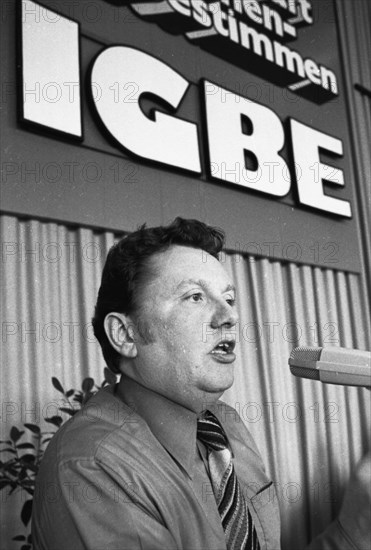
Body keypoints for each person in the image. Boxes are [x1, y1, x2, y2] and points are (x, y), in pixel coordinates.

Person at [32, 218, 370, 550]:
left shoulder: (224, 423)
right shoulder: (92, 466)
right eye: (194, 296)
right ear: (125, 334)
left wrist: (357, 527)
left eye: (229, 298)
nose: (230, 316)